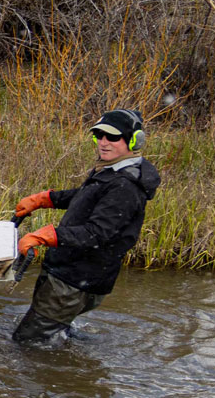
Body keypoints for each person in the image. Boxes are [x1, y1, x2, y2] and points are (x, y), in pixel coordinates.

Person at [11, 109, 163, 348]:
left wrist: (47, 236)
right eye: (99, 135)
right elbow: (88, 197)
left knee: (26, 345)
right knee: (53, 337)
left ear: (133, 141)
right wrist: (47, 199)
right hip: (76, 276)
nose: (103, 142)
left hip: (73, 281)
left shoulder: (125, 185)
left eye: (112, 137)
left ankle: (57, 381)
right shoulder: (113, 171)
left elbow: (96, 233)